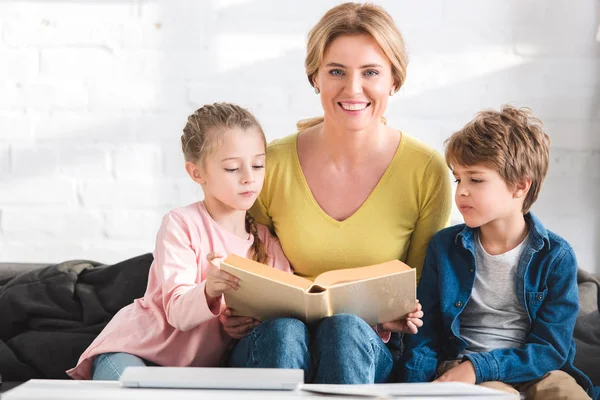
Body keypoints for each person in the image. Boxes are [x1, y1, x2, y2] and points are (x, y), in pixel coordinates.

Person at [221, 2, 452, 384]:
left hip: (368, 343)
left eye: (371, 72)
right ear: (315, 77)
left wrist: (405, 313)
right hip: (275, 341)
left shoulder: (426, 171)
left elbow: (420, 288)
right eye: (337, 72)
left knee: (343, 330)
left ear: (394, 80)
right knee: (284, 332)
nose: (353, 88)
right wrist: (231, 314)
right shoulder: (271, 162)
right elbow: (247, 264)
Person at [66, 103, 292, 380]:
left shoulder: (267, 242)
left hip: (198, 369)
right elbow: (177, 312)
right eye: (233, 168)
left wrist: (244, 322)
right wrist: (210, 289)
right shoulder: (181, 223)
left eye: (258, 165)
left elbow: (286, 307)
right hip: (137, 351)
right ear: (197, 173)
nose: (249, 178)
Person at [399, 105, 598, 400]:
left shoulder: (556, 256)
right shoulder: (444, 248)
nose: (461, 191)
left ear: (520, 186)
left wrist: (482, 367)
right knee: (494, 396)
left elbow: (551, 349)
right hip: (463, 369)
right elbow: (424, 337)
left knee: (567, 393)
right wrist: (414, 389)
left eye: (475, 179)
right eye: (458, 179)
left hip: (536, 371)